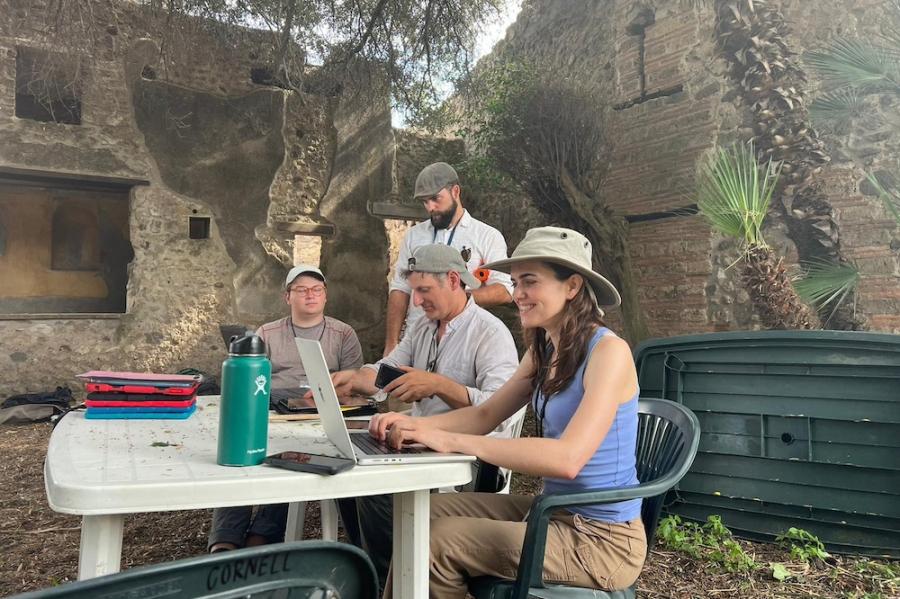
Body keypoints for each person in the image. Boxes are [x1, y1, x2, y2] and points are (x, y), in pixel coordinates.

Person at [369, 226, 648, 597]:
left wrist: (451, 440)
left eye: (529, 282)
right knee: (419, 514)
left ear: (572, 286)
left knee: (437, 540)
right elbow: (486, 415)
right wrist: (417, 426)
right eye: (515, 283)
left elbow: (568, 459)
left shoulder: (608, 352)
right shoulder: (544, 350)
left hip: (601, 540)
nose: (517, 294)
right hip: (552, 511)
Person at [332, 243, 521, 588]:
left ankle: (392, 582)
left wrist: (440, 386)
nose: (416, 301)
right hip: (419, 444)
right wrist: (354, 379)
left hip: (468, 457)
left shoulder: (490, 333)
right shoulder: (424, 327)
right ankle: (381, 576)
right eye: (414, 291)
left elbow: (500, 412)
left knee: (375, 490)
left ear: (454, 280)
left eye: (423, 290)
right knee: (346, 472)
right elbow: (387, 370)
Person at [207, 264, 364, 553]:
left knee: (289, 459)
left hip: (321, 414)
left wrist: (332, 391)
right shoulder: (268, 332)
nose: (310, 295)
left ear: (326, 295)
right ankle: (225, 539)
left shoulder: (343, 333)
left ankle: (261, 538)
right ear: (287, 297)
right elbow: (253, 379)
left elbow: (355, 382)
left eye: (317, 289)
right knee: (241, 454)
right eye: (301, 290)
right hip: (271, 409)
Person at [383, 162, 513, 357]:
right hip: (415, 341)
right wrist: (391, 343)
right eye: (425, 201)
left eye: (435, 198)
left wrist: (456, 300)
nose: (430, 207)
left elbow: (504, 290)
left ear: (455, 191)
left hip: (464, 342)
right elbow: (401, 289)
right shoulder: (413, 235)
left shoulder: (487, 236)